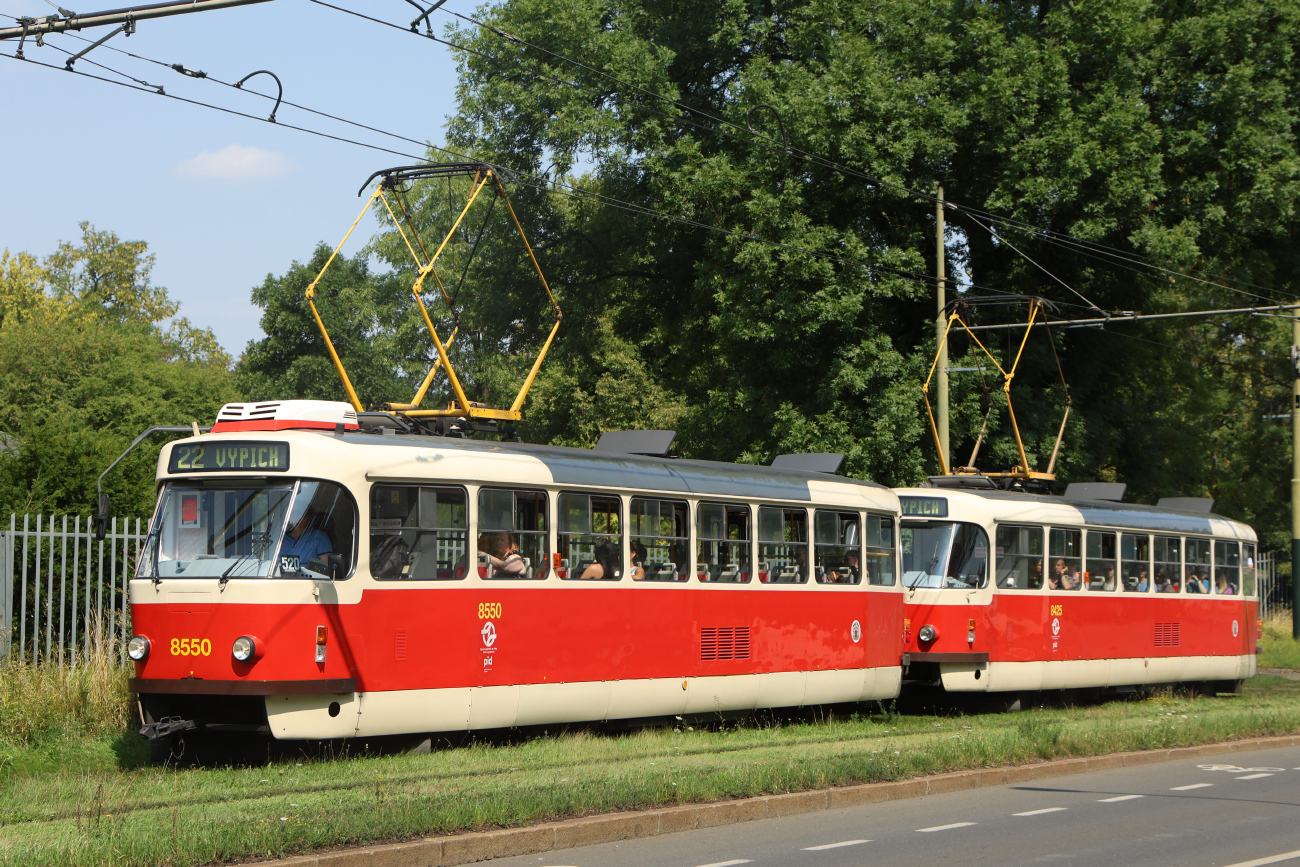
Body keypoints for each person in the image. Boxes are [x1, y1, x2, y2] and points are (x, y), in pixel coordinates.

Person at [279, 502, 333, 568]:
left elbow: (326, 569)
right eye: (292, 513)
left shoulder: (320, 537)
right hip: (281, 577)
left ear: (308, 516)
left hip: (308, 578)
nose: (296, 517)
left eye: (300, 513)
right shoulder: (282, 538)